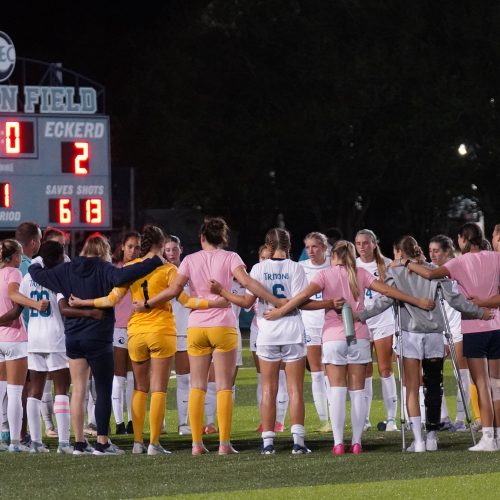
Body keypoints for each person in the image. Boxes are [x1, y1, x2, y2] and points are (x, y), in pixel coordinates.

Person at [265, 240, 435, 455]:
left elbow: (300, 298)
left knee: (336, 390)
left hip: (332, 338)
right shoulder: (361, 274)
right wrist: (417, 301)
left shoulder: (325, 275)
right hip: (360, 337)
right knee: (357, 392)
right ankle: (356, 442)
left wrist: (279, 312)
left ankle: (337, 443)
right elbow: (389, 292)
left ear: (333, 255)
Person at [133, 216, 283, 455]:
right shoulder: (231, 257)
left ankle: (196, 444)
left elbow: (173, 290)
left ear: (202, 237)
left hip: (196, 327)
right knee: (223, 386)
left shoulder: (190, 259)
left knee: (197, 385)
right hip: (223, 324)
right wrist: (277, 301)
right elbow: (248, 283)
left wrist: (148, 304)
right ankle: (224, 444)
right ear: (224, 238)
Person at [28, 232, 165, 455]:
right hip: (99, 338)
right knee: (102, 390)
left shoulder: (66, 269)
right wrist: (154, 261)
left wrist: (38, 259)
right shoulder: (104, 268)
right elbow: (125, 274)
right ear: (104, 251)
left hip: (73, 338)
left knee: (78, 390)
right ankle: (102, 442)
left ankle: (79, 444)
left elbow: (36, 274)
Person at [211, 228, 332, 454]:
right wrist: (328, 303)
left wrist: (223, 292)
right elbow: (301, 302)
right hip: (292, 332)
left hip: (267, 333)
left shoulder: (258, 268)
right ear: (289, 244)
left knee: (268, 388)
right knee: (295, 389)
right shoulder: (295, 268)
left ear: (267, 244)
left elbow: (247, 302)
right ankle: (298, 442)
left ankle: (267, 443)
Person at [365, 235, 490, 452]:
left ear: (401, 254)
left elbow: (384, 301)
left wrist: (360, 316)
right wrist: (479, 312)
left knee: (412, 387)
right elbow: (455, 299)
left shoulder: (395, 272)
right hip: (433, 334)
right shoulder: (433, 271)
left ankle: (419, 441)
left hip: (410, 333)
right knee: (434, 385)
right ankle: (431, 437)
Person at [403, 223, 500, 451]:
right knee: (496, 384)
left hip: (474, 329)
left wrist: (407, 263)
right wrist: (485, 302)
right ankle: (498, 434)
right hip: (497, 326)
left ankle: (488, 438)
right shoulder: (496, 257)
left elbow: (429, 273)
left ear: (461, 239)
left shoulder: (459, 262)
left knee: (482, 384)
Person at [20, 241, 104, 453]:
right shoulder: (59, 277)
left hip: (34, 338)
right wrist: (90, 313)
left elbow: (20, 305)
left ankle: (37, 443)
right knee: (61, 390)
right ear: (59, 257)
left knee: (35, 390)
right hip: (55, 338)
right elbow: (64, 309)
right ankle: (64, 442)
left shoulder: (29, 277)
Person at [0, 239, 49, 452]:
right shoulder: (14, 273)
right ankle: (15, 443)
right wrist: (35, 304)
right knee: (15, 392)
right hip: (15, 339)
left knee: (1, 391)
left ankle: (3, 438)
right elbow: (13, 296)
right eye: (20, 256)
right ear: (15, 257)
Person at [354, 229, 398, 432]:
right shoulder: (352, 266)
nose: (361, 247)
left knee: (385, 369)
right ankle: (364, 419)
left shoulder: (386, 264)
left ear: (374, 243)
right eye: (358, 243)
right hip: (362, 322)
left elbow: (391, 293)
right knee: (364, 371)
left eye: (365, 243)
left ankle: (391, 419)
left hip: (383, 321)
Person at [428, 234, 470, 432]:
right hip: (437, 329)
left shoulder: (459, 267)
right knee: (434, 374)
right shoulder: (428, 270)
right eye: (430, 251)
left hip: (457, 327)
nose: (432, 255)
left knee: (460, 373)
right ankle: (441, 417)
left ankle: (461, 418)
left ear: (446, 251)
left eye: (436, 251)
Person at [299, 232, 331, 432]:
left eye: (315, 247)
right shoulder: (300, 268)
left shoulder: (333, 265)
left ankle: (335, 412)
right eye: (308, 247)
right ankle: (324, 420)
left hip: (331, 324)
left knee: (331, 372)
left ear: (324, 247)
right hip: (309, 324)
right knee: (316, 372)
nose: (311, 251)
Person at [111, 231, 140, 435]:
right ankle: (119, 423)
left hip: (138, 327)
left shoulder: (142, 270)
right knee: (119, 377)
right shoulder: (114, 270)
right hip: (118, 327)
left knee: (133, 377)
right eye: (130, 246)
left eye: (137, 247)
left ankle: (132, 421)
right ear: (122, 247)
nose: (133, 250)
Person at [164, 235, 192, 436]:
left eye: (174, 249)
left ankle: (183, 424)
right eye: (167, 250)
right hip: (163, 332)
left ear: (181, 249)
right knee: (160, 381)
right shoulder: (159, 272)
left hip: (183, 331)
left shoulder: (189, 272)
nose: (171, 253)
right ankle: (160, 424)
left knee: (184, 379)